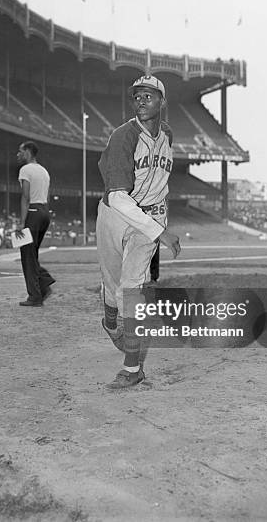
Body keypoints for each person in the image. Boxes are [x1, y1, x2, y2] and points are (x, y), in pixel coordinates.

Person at [97, 75, 181, 389]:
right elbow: (118, 196)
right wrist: (162, 234)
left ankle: (132, 368)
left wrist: (158, 225)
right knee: (112, 285)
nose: (141, 101)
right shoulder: (123, 136)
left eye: (148, 95)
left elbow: (160, 183)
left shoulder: (168, 135)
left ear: (162, 101)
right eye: (137, 97)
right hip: (114, 214)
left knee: (132, 289)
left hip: (148, 217)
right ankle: (109, 320)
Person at [15, 141, 55, 307]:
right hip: (44, 213)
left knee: (27, 255)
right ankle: (43, 285)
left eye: (20, 151)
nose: (18, 154)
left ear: (28, 152)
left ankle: (35, 296)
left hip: (32, 213)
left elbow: (25, 196)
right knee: (32, 254)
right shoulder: (44, 171)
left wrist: (21, 223)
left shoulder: (25, 169)